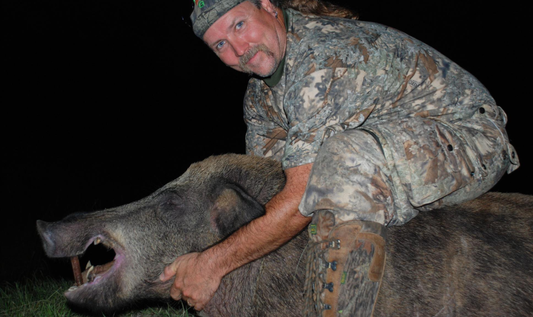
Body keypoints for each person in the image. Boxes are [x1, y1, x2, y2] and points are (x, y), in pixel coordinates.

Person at [160, 0, 520, 315]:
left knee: (340, 161)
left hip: (471, 139)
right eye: (221, 43)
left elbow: (299, 195)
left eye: (240, 25)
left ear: (268, 7)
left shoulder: (323, 58)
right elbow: (269, 189)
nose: (238, 48)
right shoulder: (259, 97)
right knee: (316, 195)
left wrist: (212, 264)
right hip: (397, 150)